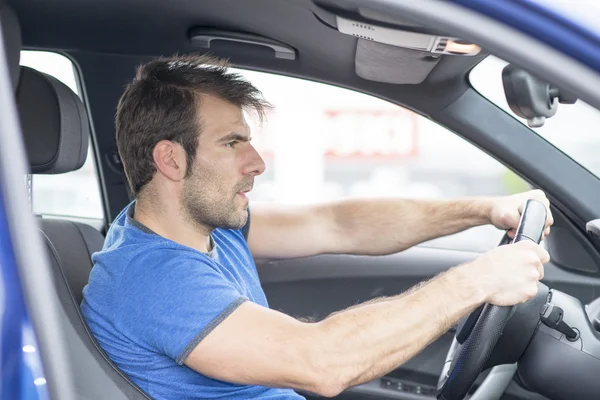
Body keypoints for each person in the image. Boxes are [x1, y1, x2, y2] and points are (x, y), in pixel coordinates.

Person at [80, 54, 552, 400]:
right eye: (232, 143)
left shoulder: (202, 225)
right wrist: (478, 280)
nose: (257, 162)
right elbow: (322, 362)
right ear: (170, 160)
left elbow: (338, 224)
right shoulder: (153, 279)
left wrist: (485, 209)